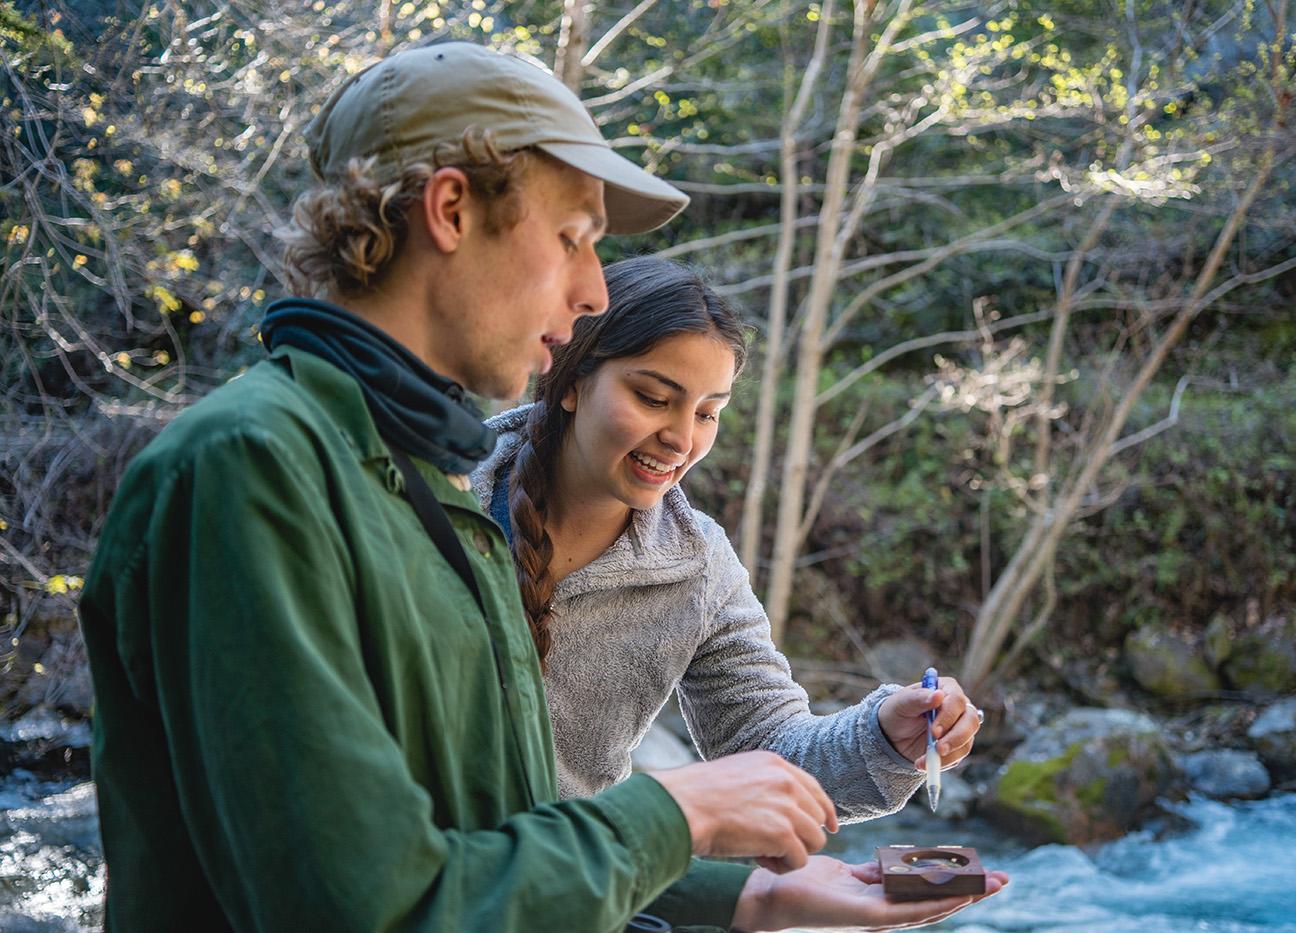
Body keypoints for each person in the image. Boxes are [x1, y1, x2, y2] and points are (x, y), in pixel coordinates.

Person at [77, 41, 1004, 932]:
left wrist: (746, 896)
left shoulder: (420, 489)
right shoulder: (254, 471)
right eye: (571, 237)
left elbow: (503, 837)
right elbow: (370, 907)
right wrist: (678, 814)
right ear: (451, 212)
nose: (595, 291)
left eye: (709, 409)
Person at [473, 256, 985, 822]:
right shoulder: (440, 491)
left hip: (567, 886)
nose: (680, 438)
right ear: (571, 383)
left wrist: (885, 735)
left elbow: (768, 745)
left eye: (708, 413)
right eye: (652, 398)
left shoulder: (697, 565)